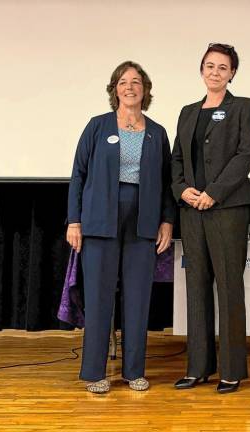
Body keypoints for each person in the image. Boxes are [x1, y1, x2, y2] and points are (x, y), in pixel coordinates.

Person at [66, 60, 175, 393]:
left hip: (142, 224)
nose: (130, 87)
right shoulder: (97, 127)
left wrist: (167, 221)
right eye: (123, 82)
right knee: (99, 299)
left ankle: (133, 371)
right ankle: (95, 373)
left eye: (137, 82)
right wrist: (74, 220)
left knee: (138, 299)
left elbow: (168, 181)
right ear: (114, 90)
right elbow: (78, 175)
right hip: (99, 222)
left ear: (146, 90)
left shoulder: (157, 132)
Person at [171, 43, 250, 394]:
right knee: (196, 288)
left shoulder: (243, 107)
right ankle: (198, 368)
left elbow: (246, 154)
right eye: (210, 66)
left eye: (223, 67)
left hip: (227, 209)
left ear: (232, 73)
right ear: (201, 70)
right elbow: (176, 159)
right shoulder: (188, 111)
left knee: (229, 288)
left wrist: (214, 192)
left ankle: (231, 370)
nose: (215, 72)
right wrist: (182, 191)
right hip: (192, 211)